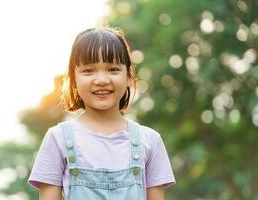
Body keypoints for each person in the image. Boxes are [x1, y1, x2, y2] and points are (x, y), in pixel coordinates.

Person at [28, 27, 175, 200]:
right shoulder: (57, 138)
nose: (102, 80)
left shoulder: (150, 141)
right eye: (89, 70)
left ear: (129, 76)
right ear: (73, 79)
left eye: (113, 69)